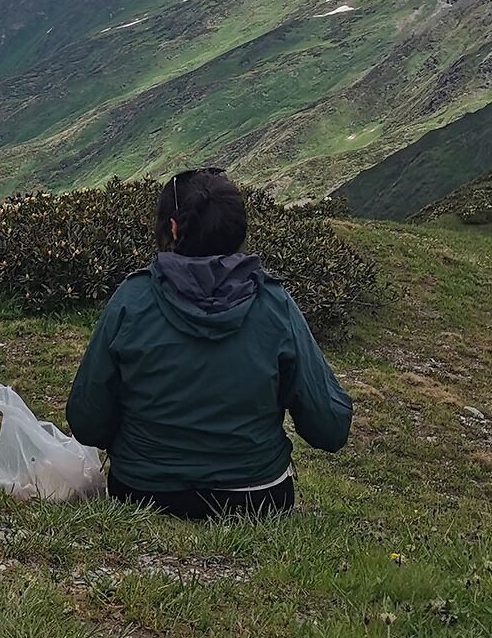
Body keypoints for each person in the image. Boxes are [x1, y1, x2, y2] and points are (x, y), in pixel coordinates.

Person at [65, 166, 352, 519]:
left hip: (143, 492)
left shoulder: (132, 299)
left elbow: (86, 420)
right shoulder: (275, 305)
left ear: (173, 228)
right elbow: (330, 428)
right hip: (257, 499)